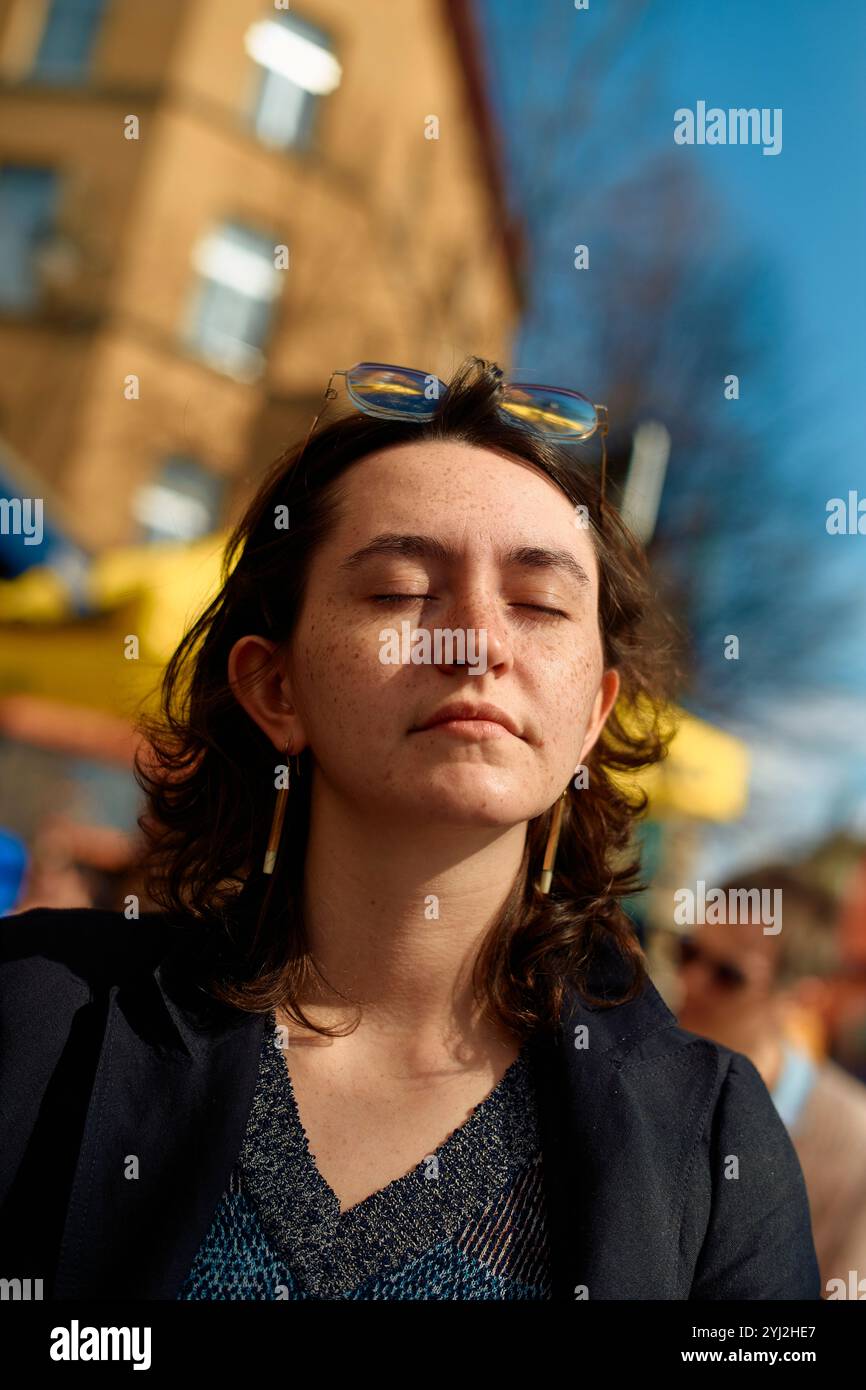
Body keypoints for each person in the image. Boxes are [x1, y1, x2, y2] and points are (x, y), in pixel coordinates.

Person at [0, 357, 820, 1300]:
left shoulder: (710, 1144)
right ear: (274, 685)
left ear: (592, 717)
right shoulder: (39, 1019)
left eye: (540, 604)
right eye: (398, 591)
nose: (474, 639)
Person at [674, 862, 866, 1298]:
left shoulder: (854, 1144)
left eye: (728, 975)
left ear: (800, 997)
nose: (690, 980)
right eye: (687, 952)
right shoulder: (641, 1081)